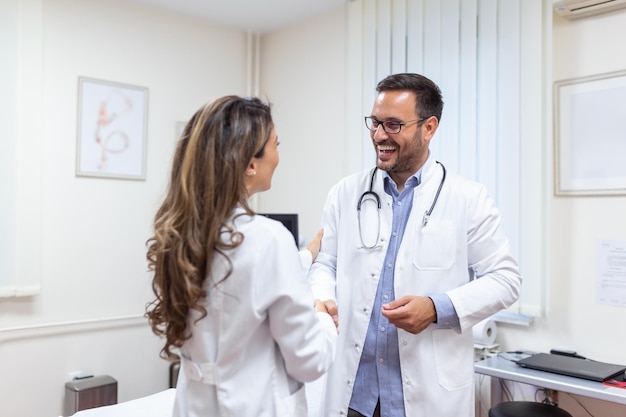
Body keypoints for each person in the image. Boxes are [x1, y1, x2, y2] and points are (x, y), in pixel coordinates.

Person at [308, 73, 522, 417]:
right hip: (355, 396)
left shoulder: (468, 198)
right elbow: (325, 263)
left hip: (425, 398)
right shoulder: (345, 193)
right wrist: (325, 298)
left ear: (429, 127)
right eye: (375, 123)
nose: (379, 135)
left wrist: (437, 308)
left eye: (393, 125)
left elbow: (506, 279)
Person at [145, 96, 336, 417]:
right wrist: (320, 316)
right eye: (276, 144)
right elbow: (310, 361)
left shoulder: (182, 232)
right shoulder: (268, 238)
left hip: (195, 405)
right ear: (250, 163)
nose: (278, 155)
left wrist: (305, 256)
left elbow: (235, 281)